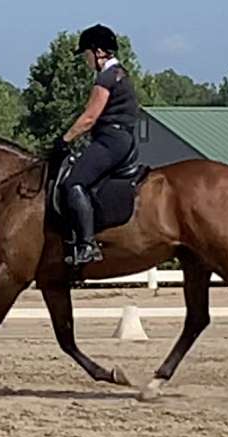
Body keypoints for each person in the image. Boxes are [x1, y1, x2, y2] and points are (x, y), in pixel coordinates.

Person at [52, 23, 139, 266]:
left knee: (73, 182)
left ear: (99, 52)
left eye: (87, 54)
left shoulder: (107, 78)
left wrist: (64, 139)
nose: (85, 59)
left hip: (111, 140)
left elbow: (89, 117)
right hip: (122, 139)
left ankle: (87, 245)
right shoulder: (120, 73)